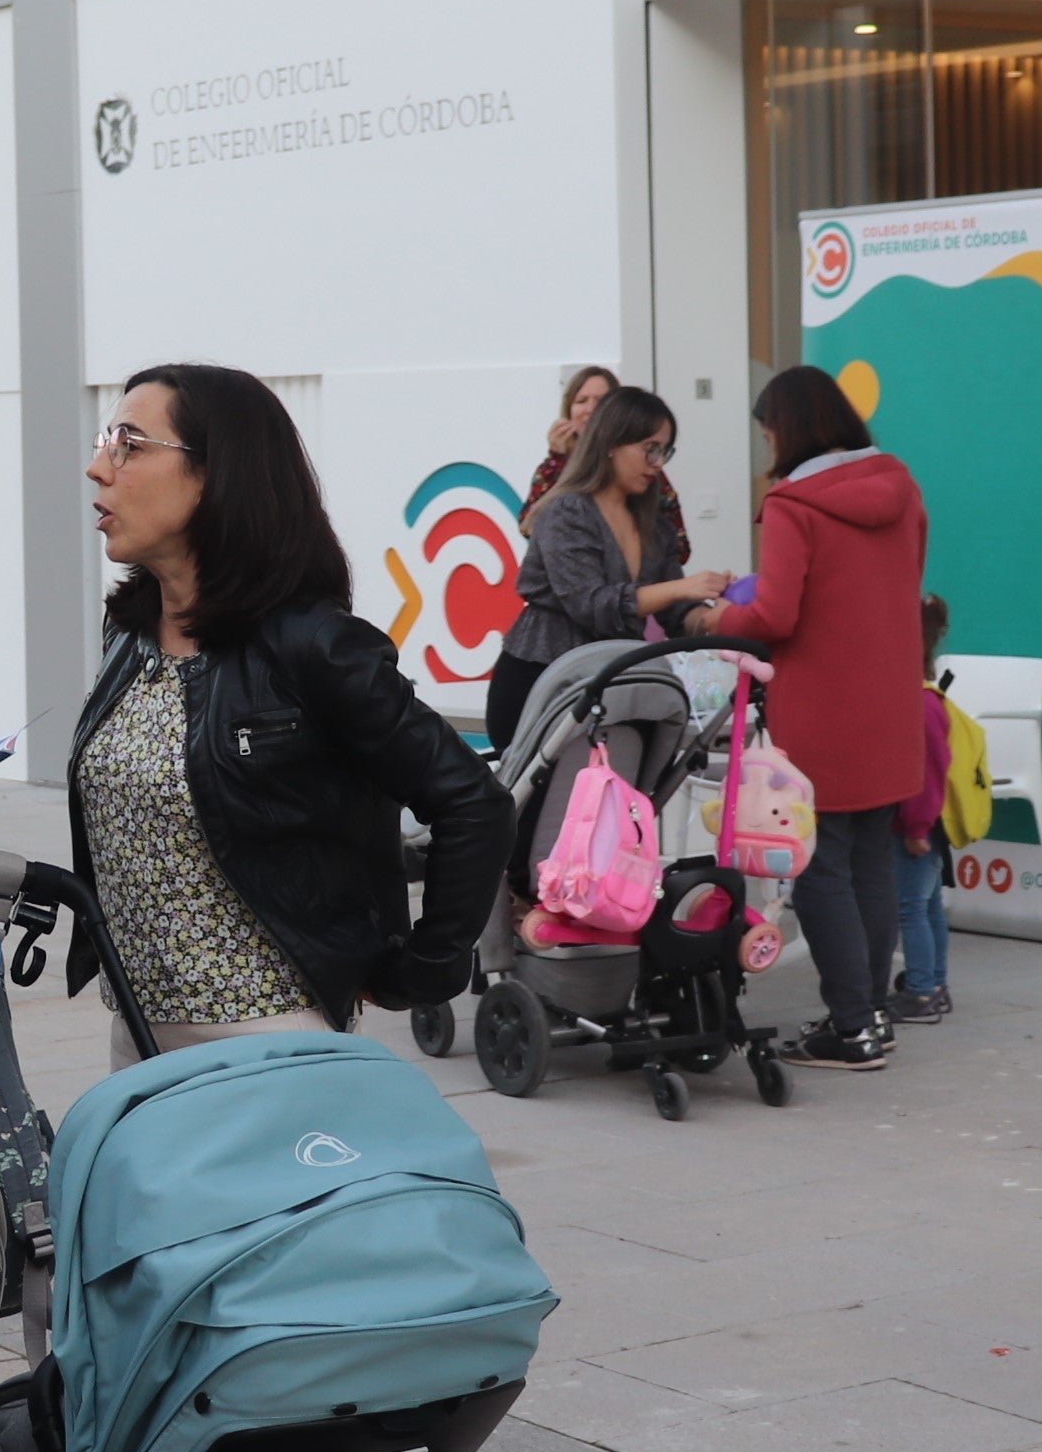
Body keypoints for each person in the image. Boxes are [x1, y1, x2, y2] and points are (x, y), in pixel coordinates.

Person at [73, 362, 512, 1059]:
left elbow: (473, 803)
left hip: (270, 1041)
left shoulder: (314, 645)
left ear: (216, 474)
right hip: (136, 1031)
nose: (98, 467)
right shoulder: (128, 634)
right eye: (106, 442)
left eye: (128, 443)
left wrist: (422, 968)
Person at [691, 365, 928, 1072]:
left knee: (820, 867)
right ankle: (871, 1015)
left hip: (823, 710)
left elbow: (774, 615)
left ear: (788, 429)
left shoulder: (793, 505)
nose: (768, 447)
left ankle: (850, 1028)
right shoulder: (902, 487)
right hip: (890, 704)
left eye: (768, 433)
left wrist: (714, 617)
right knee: (870, 864)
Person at [489, 384, 692, 755]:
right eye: (650, 448)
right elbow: (592, 604)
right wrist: (685, 589)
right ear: (612, 443)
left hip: (612, 690)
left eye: (664, 451)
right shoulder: (566, 512)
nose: (658, 463)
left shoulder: (655, 526)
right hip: (541, 685)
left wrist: (726, 613)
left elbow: (679, 613)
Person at [890, 594, 966, 1026]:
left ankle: (920, 990)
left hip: (915, 827)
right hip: (927, 823)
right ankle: (935, 983)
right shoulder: (928, 700)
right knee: (929, 904)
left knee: (910, 908)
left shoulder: (919, 705)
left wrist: (916, 827)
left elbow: (927, 772)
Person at [519, 364, 618, 526]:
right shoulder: (557, 464)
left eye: (600, 401)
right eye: (581, 401)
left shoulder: (632, 460)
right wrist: (557, 459)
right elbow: (528, 525)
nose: (590, 409)